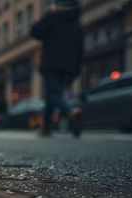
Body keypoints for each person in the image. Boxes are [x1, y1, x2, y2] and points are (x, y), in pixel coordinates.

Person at [31, 0, 84, 137]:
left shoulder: (52, 17)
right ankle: (46, 128)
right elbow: (80, 50)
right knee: (51, 95)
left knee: (54, 95)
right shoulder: (77, 24)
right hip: (69, 66)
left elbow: (35, 32)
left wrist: (47, 14)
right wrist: (76, 70)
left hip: (51, 63)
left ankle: (71, 111)